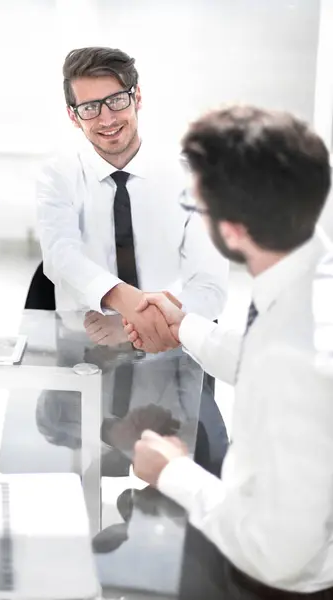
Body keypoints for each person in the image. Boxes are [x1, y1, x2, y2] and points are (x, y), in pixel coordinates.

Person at [125, 106, 333, 596]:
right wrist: (185, 328)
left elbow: (279, 552)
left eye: (197, 207)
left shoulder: (295, 358)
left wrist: (172, 473)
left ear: (234, 230)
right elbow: (265, 362)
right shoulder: (309, 278)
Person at [36, 46, 229, 354]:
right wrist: (128, 303)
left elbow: (210, 285)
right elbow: (61, 257)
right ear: (73, 117)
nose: (106, 118)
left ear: (136, 97)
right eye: (90, 108)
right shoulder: (58, 175)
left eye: (116, 101)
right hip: (83, 347)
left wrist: (135, 324)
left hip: (173, 348)